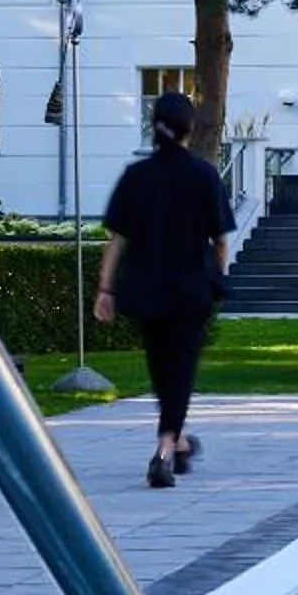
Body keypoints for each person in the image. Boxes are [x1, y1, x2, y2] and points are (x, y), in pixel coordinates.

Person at [95, 91, 230, 488]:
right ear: (190, 128)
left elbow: (117, 240)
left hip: (146, 288)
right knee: (181, 368)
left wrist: (105, 289)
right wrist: (216, 278)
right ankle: (166, 449)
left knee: (161, 367)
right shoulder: (203, 174)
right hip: (191, 289)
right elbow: (220, 240)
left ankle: (179, 441)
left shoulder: (136, 176)